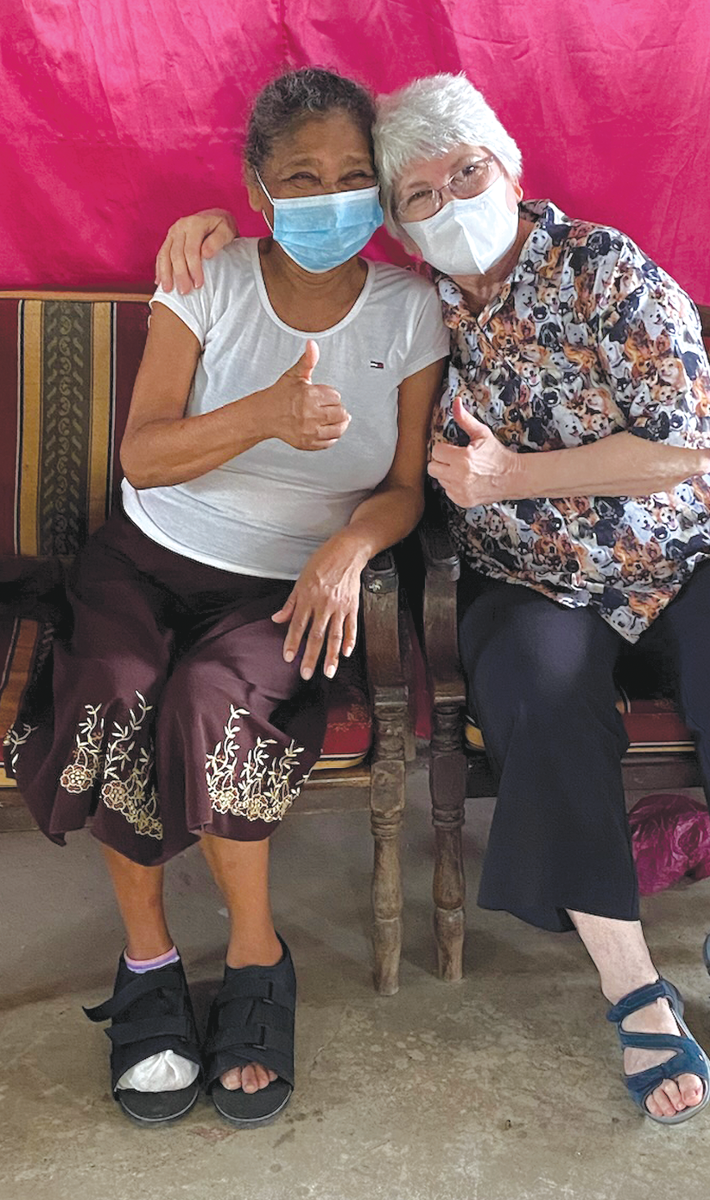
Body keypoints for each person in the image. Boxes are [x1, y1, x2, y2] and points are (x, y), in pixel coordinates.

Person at [155, 74, 710, 1124]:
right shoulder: (418, 306)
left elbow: (687, 450)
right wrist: (201, 226)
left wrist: (513, 477)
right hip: (530, 578)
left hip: (686, 544)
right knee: (531, 690)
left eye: (465, 172)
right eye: (418, 194)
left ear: (511, 167)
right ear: (400, 227)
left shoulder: (606, 268)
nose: (449, 200)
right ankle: (631, 983)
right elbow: (288, 268)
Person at [3, 67, 447, 1128]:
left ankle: (258, 957)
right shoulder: (205, 277)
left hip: (284, 586)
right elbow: (145, 456)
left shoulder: (413, 307)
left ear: (380, 191)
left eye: (352, 177)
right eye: (303, 177)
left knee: (211, 701)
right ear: (259, 186)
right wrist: (264, 416)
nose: (331, 197)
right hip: (150, 556)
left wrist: (347, 547)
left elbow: (402, 490)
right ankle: (148, 962)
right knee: (112, 686)